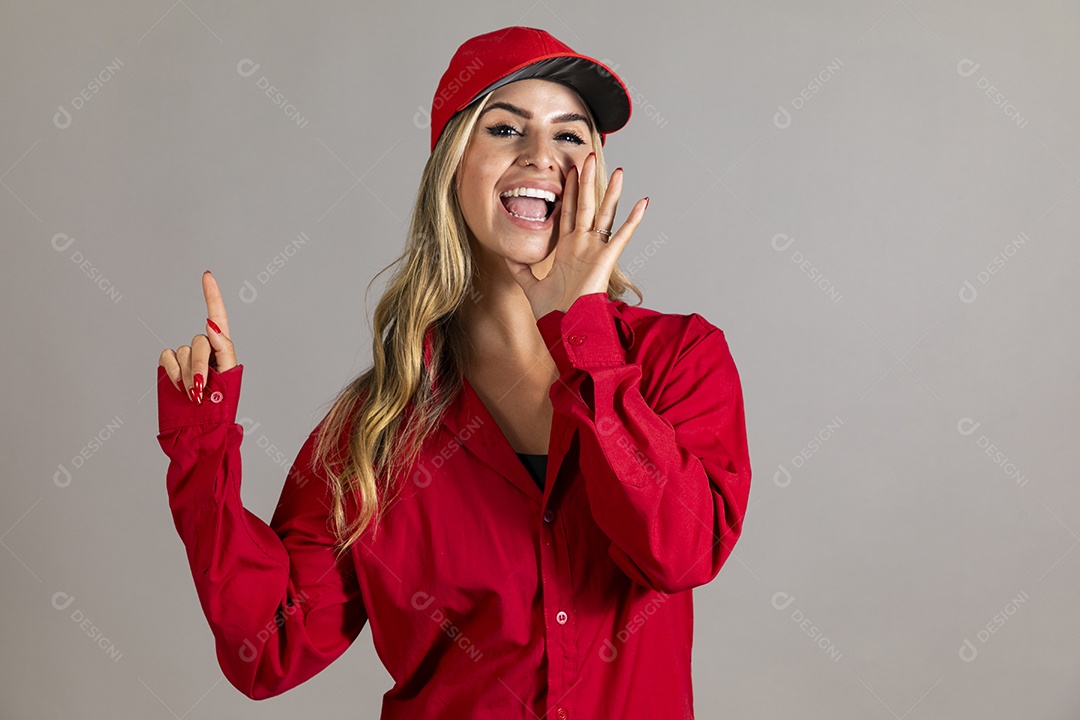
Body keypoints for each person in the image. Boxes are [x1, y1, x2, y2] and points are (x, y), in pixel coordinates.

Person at [156, 25, 751, 719]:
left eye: (569, 135)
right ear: (451, 165)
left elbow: (677, 555)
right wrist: (199, 451)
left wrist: (583, 331)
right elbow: (271, 650)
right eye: (505, 129)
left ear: (597, 172)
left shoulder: (677, 361)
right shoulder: (378, 424)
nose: (540, 156)